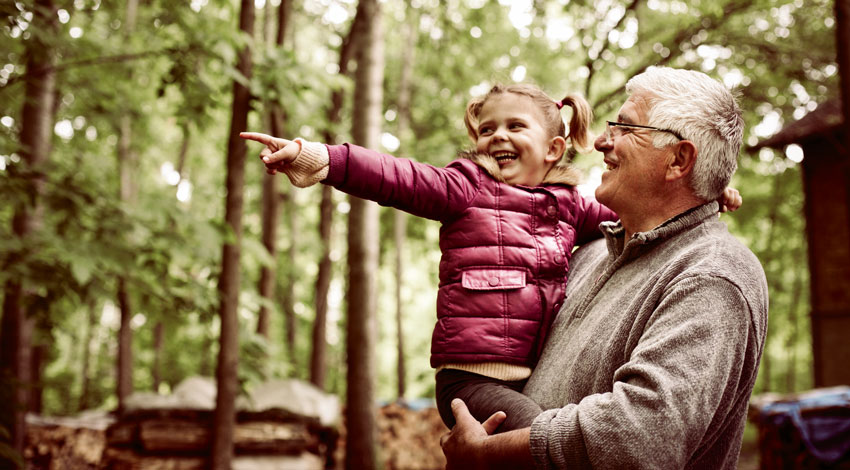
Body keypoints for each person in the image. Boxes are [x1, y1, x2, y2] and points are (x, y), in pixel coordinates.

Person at [439, 66, 767, 470]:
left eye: (625, 128)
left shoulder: (712, 275)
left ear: (678, 160)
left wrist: (488, 453)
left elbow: (641, 438)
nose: (599, 141)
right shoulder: (590, 253)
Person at [241, 84, 620, 432]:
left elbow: (624, 216)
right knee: (543, 436)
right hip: (470, 380)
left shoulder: (568, 206)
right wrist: (317, 156)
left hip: (535, 374)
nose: (498, 136)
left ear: (553, 149)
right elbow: (397, 177)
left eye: (515, 126)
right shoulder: (467, 187)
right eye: (487, 130)